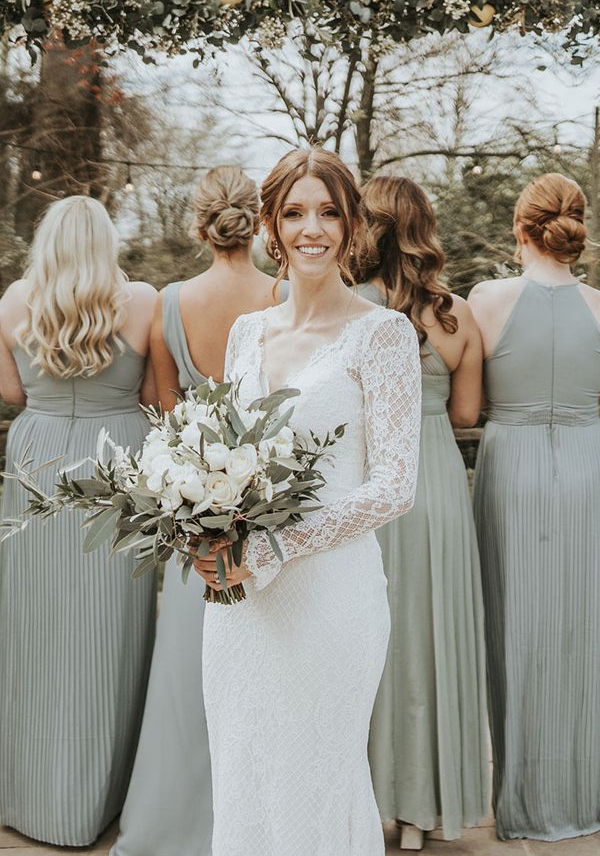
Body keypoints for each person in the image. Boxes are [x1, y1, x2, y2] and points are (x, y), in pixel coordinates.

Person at [194, 148, 422, 856]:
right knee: (245, 772)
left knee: (319, 776)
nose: (311, 228)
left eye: (328, 212)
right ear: (271, 224)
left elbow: (394, 484)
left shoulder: (382, 335)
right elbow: (225, 457)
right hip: (241, 604)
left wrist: (270, 546)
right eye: (294, 213)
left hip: (332, 596)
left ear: (353, 224)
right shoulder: (246, 333)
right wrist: (203, 532)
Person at [111, 165, 287, 856]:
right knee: (271, 662)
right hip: (271, 503)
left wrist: (196, 468)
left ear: (200, 223)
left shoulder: (172, 302)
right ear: (260, 220)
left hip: (198, 510)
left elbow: (160, 405)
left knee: (189, 665)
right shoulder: (282, 294)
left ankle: (174, 825)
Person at [0, 196, 157, 847]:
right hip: (116, 460)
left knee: (32, 627)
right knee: (110, 631)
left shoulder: (13, 300)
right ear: (105, 241)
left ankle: (25, 793)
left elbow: (10, 394)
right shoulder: (143, 300)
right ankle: (100, 795)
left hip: (36, 458)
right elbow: (155, 396)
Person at [357, 176, 489, 849]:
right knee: (429, 643)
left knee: (368, 644)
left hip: (369, 482)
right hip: (435, 482)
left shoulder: (347, 308)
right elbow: (466, 415)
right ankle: (421, 815)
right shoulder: (458, 315)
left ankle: (366, 801)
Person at [468, 172, 600, 841]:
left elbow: (466, 405)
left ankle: (519, 804)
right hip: (587, 467)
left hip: (513, 467)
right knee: (584, 634)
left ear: (521, 230)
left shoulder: (487, 300)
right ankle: (582, 797)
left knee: (512, 633)